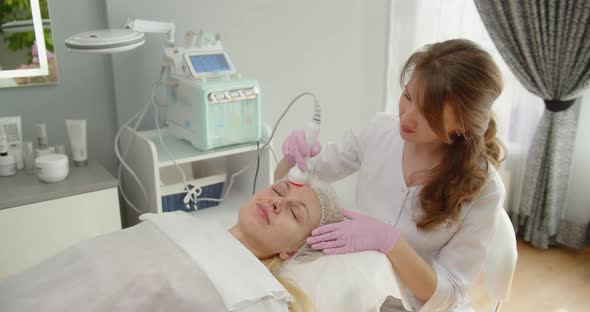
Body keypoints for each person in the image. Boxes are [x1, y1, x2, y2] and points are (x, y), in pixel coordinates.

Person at [276, 38, 506, 312]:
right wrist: (293, 157)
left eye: (428, 113)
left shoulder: (484, 189)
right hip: (360, 289)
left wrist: (390, 242)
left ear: (461, 124)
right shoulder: (378, 132)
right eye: (408, 97)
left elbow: (447, 295)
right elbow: (288, 183)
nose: (407, 117)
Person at [0, 176, 343, 312]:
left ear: (291, 251)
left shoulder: (256, 296)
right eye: (278, 190)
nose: (276, 202)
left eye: (294, 213)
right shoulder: (183, 222)